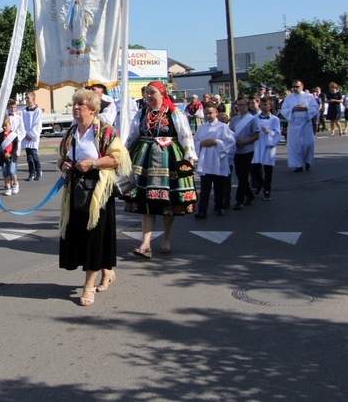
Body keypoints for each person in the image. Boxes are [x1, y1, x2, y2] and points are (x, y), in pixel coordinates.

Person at [57, 89, 130, 306]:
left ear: (93, 109)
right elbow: (61, 157)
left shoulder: (105, 131)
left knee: (94, 237)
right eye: (75, 104)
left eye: (81, 104)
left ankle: (89, 286)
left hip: (98, 191)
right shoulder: (71, 132)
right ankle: (107, 271)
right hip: (75, 190)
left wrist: (94, 163)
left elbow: (119, 158)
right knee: (81, 235)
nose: (76, 107)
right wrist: (65, 164)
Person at [124, 81, 197, 257]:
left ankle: (166, 238)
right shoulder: (142, 113)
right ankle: (146, 243)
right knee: (145, 202)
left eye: (152, 92)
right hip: (145, 159)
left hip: (169, 159)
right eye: (146, 93)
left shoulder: (175, 113)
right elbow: (133, 135)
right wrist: (123, 153)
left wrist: (189, 156)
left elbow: (185, 135)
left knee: (167, 202)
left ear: (162, 94)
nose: (148, 96)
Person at [193, 102, 235, 219]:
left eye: (210, 113)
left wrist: (216, 142)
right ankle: (202, 210)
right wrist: (201, 143)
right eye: (206, 114)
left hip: (218, 160)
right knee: (205, 187)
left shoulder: (223, 127)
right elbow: (195, 142)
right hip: (206, 160)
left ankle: (219, 206)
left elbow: (230, 142)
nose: (208, 116)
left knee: (219, 186)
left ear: (216, 112)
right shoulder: (201, 128)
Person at [281, 80, 319, 172]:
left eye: (297, 86)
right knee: (296, 146)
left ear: (302, 86)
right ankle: (298, 165)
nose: (295, 88)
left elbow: (315, 107)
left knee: (307, 144)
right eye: (293, 86)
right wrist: (293, 109)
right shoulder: (289, 98)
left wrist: (306, 108)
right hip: (294, 125)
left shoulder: (309, 97)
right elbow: (284, 110)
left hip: (305, 124)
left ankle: (307, 161)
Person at [229, 97, 259, 210]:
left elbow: (256, 135)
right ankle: (250, 195)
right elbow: (230, 133)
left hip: (247, 150)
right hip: (237, 150)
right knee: (239, 174)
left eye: (242, 105)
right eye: (238, 105)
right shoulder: (234, 119)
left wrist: (245, 142)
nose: (240, 107)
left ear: (247, 106)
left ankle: (239, 200)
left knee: (243, 175)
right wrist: (235, 142)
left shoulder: (252, 119)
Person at [252, 96, 281, 201]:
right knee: (254, 168)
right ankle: (260, 183)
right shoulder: (255, 118)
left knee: (268, 169)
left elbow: (277, 133)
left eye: (266, 104)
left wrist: (269, 132)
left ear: (270, 106)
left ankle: (267, 190)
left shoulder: (275, 119)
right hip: (257, 144)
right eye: (262, 104)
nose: (263, 107)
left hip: (268, 144)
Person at [21, 91, 43, 181]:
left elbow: (37, 124)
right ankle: (31, 173)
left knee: (34, 155)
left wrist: (31, 134)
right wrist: (25, 134)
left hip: (33, 137)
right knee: (29, 157)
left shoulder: (37, 111)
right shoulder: (23, 111)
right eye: (25, 98)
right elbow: (22, 123)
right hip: (26, 136)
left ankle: (38, 171)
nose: (26, 99)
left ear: (33, 99)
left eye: (28, 98)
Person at [6, 99, 25, 194]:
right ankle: (8, 184)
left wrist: (15, 138)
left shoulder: (19, 118)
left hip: (15, 144)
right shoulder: (5, 118)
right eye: (10, 107)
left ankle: (14, 182)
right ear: (7, 108)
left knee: (13, 165)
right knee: (6, 165)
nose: (12, 109)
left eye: (14, 107)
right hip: (6, 145)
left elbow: (22, 131)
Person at [0, 116, 19, 196]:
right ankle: (8, 187)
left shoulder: (13, 135)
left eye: (6, 125)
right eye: (3, 126)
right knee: (5, 173)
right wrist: (3, 154)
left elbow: (15, 147)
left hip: (11, 156)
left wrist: (11, 154)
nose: (4, 127)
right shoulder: (0, 135)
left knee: (12, 171)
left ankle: (15, 184)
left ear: (10, 124)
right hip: (3, 157)